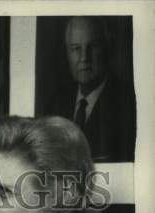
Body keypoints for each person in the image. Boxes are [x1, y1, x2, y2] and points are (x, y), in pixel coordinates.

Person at [44, 16, 136, 161]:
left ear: (108, 47)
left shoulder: (129, 103)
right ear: (67, 53)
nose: (84, 58)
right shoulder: (56, 103)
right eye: (76, 48)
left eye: (93, 46)